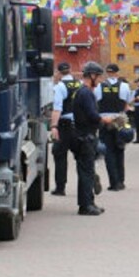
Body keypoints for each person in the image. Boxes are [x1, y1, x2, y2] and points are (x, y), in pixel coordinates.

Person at [73, 61, 113, 215]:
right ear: (92, 75)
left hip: (83, 136)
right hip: (85, 138)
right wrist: (105, 120)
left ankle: (89, 202)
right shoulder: (86, 93)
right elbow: (92, 115)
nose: (100, 80)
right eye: (99, 76)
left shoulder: (82, 91)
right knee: (86, 172)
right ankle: (86, 206)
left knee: (87, 171)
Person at [95, 64, 131, 191]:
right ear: (117, 72)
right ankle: (121, 181)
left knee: (108, 152)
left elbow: (96, 104)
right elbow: (127, 105)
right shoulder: (125, 86)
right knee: (120, 150)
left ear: (107, 72)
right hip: (120, 120)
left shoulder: (99, 86)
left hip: (105, 121)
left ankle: (114, 182)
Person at [49, 62, 81, 197]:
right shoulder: (80, 84)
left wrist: (53, 126)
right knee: (82, 156)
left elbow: (57, 108)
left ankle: (60, 187)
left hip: (64, 125)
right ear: (70, 70)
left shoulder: (59, 87)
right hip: (79, 124)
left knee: (60, 155)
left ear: (59, 73)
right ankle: (89, 182)